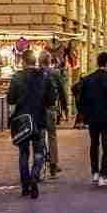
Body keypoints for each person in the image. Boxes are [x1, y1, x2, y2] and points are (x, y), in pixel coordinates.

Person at [7, 50, 56, 199]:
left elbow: (10, 99)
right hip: (39, 120)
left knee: (23, 153)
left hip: (22, 121)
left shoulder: (17, 77)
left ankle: (25, 185)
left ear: (23, 61)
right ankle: (35, 175)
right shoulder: (44, 77)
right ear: (34, 62)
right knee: (39, 152)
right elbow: (52, 99)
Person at [78, 51, 107, 186]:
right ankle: (103, 175)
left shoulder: (88, 79)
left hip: (92, 118)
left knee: (94, 144)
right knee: (106, 146)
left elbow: (81, 99)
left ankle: (95, 173)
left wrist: (83, 115)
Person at [40, 52, 69, 180]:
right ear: (50, 61)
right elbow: (62, 91)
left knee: (40, 137)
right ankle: (53, 165)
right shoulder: (55, 73)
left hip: (38, 110)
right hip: (51, 109)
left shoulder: (36, 73)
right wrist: (65, 108)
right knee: (52, 136)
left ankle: (38, 164)